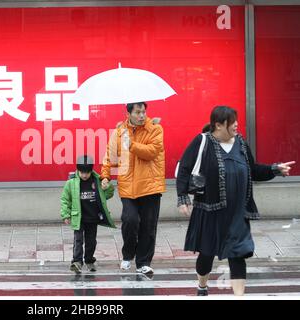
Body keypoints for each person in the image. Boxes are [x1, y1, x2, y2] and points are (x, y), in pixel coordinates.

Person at [176, 105, 295, 296]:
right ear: (218, 125)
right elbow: (184, 169)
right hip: (209, 210)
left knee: (238, 254)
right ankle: (202, 285)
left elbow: (254, 170)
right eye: (232, 122)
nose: (236, 125)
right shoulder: (203, 141)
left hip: (238, 212)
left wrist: (275, 169)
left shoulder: (241, 143)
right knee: (206, 255)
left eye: (236, 120)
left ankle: (239, 297)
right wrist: (182, 198)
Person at [101, 102, 165, 275]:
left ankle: (143, 262)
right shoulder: (119, 132)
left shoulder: (155, 129)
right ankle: (128, 254)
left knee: (148, 226)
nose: (142, 115)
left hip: (151, 185)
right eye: (138, 112)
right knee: (129, 220)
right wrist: (106, 176)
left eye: (143, 112)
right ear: (128, 113)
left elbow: (152, 152)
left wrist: (132, 145)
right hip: (128, 185)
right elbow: (110, 156)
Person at [60, 155, 116, 274]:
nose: (84, 175)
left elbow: (108, 195)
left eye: (87, 172)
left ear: (91, 171)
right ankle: (76, 262)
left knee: (91, 241)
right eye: (82, 172)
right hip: (78, 218)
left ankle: (89, 260)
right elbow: (65, 199)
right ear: (78, 170)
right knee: (78, 240)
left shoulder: (97, 181)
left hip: (93, 217)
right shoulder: (71, 183)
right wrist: (66, 214)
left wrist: (108, 186)